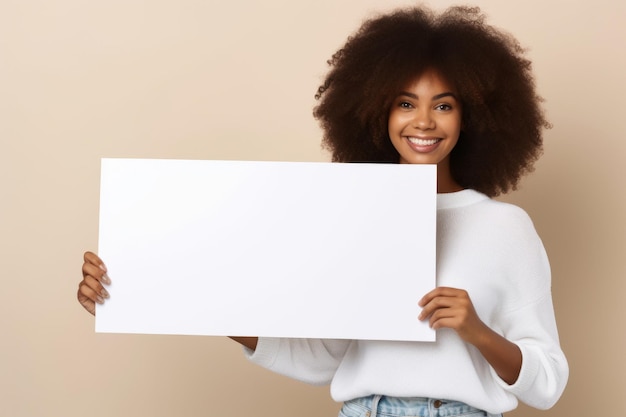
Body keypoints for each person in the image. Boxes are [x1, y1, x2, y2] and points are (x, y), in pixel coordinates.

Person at [78, 4, 568, 417]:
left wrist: (476, 331)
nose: (423, 121)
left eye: (443, 105)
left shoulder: (504, 228)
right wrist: (152, 288)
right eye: (404, 103)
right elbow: (320, 361)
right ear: (378, 110)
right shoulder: (353, 217)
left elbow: (547, 383)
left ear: (473, 115)